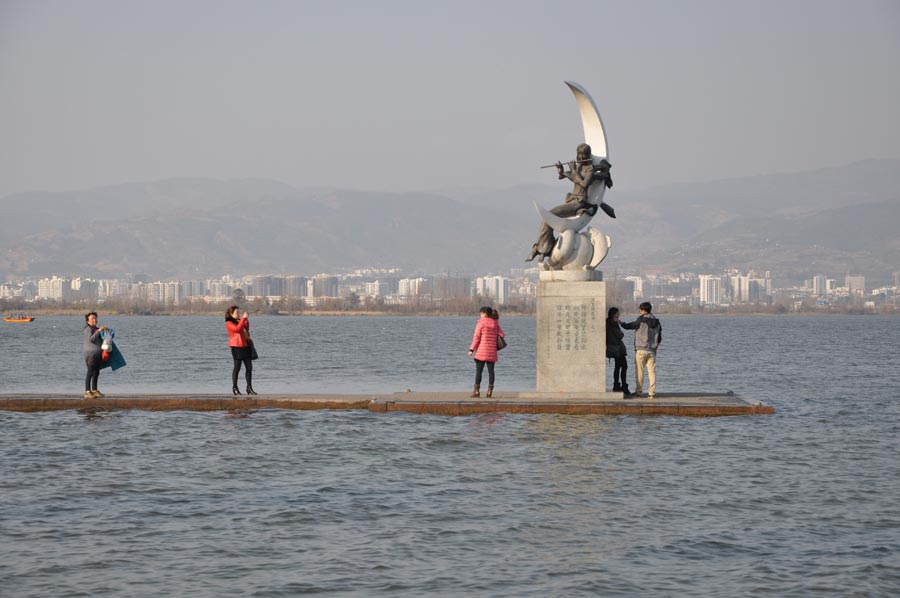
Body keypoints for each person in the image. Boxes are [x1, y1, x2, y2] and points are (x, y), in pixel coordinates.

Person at [526, 143, 613, 262]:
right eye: (579, 155)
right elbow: (566, 176)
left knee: (549, 215)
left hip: (579, 203)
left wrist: (573, 170)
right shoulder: (580, 167)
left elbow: (583, 184)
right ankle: (541, 249)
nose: (580, 158)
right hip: (571, 201)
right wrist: (561, 171)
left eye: (582, 156)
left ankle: (541, 250)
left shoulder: (590, 169)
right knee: (547, 220)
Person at [621, 302, 662, 399]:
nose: (640, 312)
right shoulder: (657, 322)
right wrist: (655, 347)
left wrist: (621, 323)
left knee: (640, 372)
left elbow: (629, 326)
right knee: (652, 372)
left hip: (640, 350)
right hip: (652, 350)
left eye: (640, 310)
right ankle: (651, 393)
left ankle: (639, 392)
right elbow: (659, 338)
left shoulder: (641, 320)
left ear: (643, 310)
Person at [468, 306, 505, 398]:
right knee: (491, 372)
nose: (480, 315)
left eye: (481, 313)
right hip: (492, 352)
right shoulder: (495, 324)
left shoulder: (480, 323)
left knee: (479, 372)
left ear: (484, 314)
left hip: (481, 351)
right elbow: (502, 334)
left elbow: (476, 338)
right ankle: (489, 392)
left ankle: (476, 392)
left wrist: (471, 349)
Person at [226, 305, 256, 395]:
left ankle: (249, 388)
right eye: (236, 313)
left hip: (245, 346)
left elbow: (246, 328)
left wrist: (245, 319)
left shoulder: (240, 321)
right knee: (237, 368)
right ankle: (235, 387)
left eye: (239, 312)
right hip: (236, 347)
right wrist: (243, 319)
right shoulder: (229, 323)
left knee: (249, 367)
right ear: (231, 314)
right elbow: (237, 329)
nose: (238, 314)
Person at [606, 307, 633, 397]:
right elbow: (620, 335)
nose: (618, 315)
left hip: (613, 348)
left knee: (618, 367)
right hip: (618, 349)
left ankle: (616, 385)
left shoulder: (607, 322)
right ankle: (623, 386)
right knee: (624, 367)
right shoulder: (612, 323)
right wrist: (619, 324)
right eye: (617, 314)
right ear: (613, 314)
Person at [82, 312, 107, 399]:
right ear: (88, 321)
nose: (94, 320)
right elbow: (91, 339)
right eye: (92, 318)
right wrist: (98, 331)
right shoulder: (87, 329)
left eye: (95, 318)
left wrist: (104, 332)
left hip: (97, 354)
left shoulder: (96, 328)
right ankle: (87, 391)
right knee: (90, 372)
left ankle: (95, 390)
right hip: (90, 354)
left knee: (96, 372)